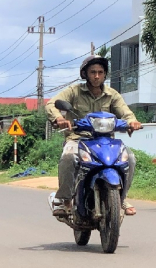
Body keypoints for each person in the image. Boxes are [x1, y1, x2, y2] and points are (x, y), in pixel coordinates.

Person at [46, 56, 143, 217]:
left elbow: (125, 112)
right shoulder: (74, 91)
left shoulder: (112, 94)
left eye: (100, 72)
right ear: (85, 74)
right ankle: (64, 200)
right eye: (93, 72)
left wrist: (132, 122)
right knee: (68, 157)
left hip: (106, 141)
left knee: (130, 158)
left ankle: (121, 197)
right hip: (78, 138)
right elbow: (51, 104)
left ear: (105, 75)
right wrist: (59, 118)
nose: (96, 76)